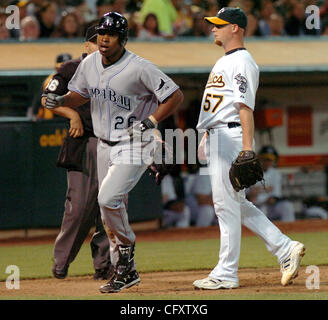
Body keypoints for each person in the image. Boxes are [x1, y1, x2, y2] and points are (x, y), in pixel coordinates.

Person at [44, 12, 184, 293]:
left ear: (123, 38)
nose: (105, 39)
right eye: (101, 34)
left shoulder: (139, 67)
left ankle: (126, 258)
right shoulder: (90, 63)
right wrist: (62, 100)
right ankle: (125, 269)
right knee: (109, 211)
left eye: (111, 34)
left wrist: (153, 121)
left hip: (133, 141)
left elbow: (175, 96)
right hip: (104, 143)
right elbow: (81, 94)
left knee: (108, 198)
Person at [193, 7, 305, 290]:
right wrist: (207, 136)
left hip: (230, 136)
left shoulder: (242, 61)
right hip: (219, 135)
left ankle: (226, 272)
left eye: (219, 24)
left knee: (224, 205)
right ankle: (284, 248)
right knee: (235, 203)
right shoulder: (226, 60)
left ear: (236, 28)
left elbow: (245, 107)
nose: (213, 28)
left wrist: (246, 148)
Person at [41, 25, 113, 281]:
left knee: (109, 207)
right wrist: (71, 114)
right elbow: (47, 98)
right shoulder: (71, 69)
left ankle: (105, 264)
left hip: (112, 144)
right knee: (79, 207)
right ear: (87, 45)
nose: (102, 46)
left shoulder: (118, 69)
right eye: (96, 42)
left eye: (107, 40)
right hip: (83, 143)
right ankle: (61, 262)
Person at [247, 145, 295, 222]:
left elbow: (276, 195)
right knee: (261, 211)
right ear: (259, 158)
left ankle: (289, 230)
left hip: (271, 207)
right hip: (256, 206)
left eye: (269, 159)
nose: (267, 162)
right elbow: (248, 195)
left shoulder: (275, 173)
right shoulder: (250, 172)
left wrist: (272, 199)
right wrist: (251, 195)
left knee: (287, 206)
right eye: (265, 159)